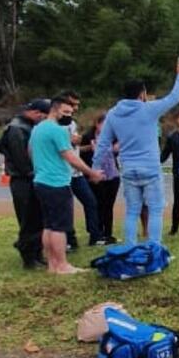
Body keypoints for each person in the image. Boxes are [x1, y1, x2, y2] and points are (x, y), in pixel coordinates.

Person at [93, 59, 179, 245]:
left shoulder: (112, 114)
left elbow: (103, 143)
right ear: (142, 93)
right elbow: (174, 97)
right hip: (150, 168)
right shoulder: (149, 109)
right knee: (155, 209)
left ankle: (130, 247)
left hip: (128, 169)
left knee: (132, 210)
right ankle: (153, 249)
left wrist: (95, 168)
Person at [29, 96, 103, 273]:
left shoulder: (37, 128)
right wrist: (91, 172)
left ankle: (52, 264)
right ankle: (62, 264)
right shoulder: (58, 131)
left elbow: (30, 151)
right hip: (56, 183)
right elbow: (70, 156)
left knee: (49, 224)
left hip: (41, 180)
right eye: (66, 112)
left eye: (71, 112)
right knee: (60, 226)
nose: (69, 116)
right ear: (54, 110)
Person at [1, 98, 49, 268]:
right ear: (37, 113)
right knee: (29, 219)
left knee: (38, 219)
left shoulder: (27, 126)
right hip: (24, 180)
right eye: (44, 116)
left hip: (32, 178)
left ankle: (37, 254)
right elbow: (21, 158)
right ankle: (29, 258)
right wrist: (33, 174)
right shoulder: (17, 128)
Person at [59, 90, 102, 248]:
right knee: (66, 208)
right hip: (63, 173)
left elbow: (74, 148)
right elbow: (65, 148)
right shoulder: (55, 124)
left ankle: (95, 236)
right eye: (72, 105)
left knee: (90, 202)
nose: (75, 108)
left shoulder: (72, 123)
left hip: (76, 174)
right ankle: (70, 240)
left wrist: (88, 147)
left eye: (77, 105)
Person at [85, 112, 120, 244]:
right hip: (96, 176)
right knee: (97, 204)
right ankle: (96, 233)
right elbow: (80, 152)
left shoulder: (114, 138)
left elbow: (118, 149)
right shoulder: (88, 137)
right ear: (97, 124)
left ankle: (108, 234)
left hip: (113, 175)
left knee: (109, 206)